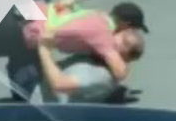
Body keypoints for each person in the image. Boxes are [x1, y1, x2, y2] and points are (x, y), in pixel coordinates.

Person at [22, 0, 149, 82]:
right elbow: (120, 72)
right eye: (133, 29)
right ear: (125, 24)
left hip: (32, 8)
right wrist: (127, 58)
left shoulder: (97, 14)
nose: (133, 33)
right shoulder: (103, 34)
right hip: (27, 30)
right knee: (27, 85)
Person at [11, 27, 145, 104]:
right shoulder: (99, 58)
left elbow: (59, 84)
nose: (105, 43)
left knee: (13, 42)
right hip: (40, 79)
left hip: (36, 97)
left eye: (111, 45)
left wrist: (44, 49)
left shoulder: (99, 77)